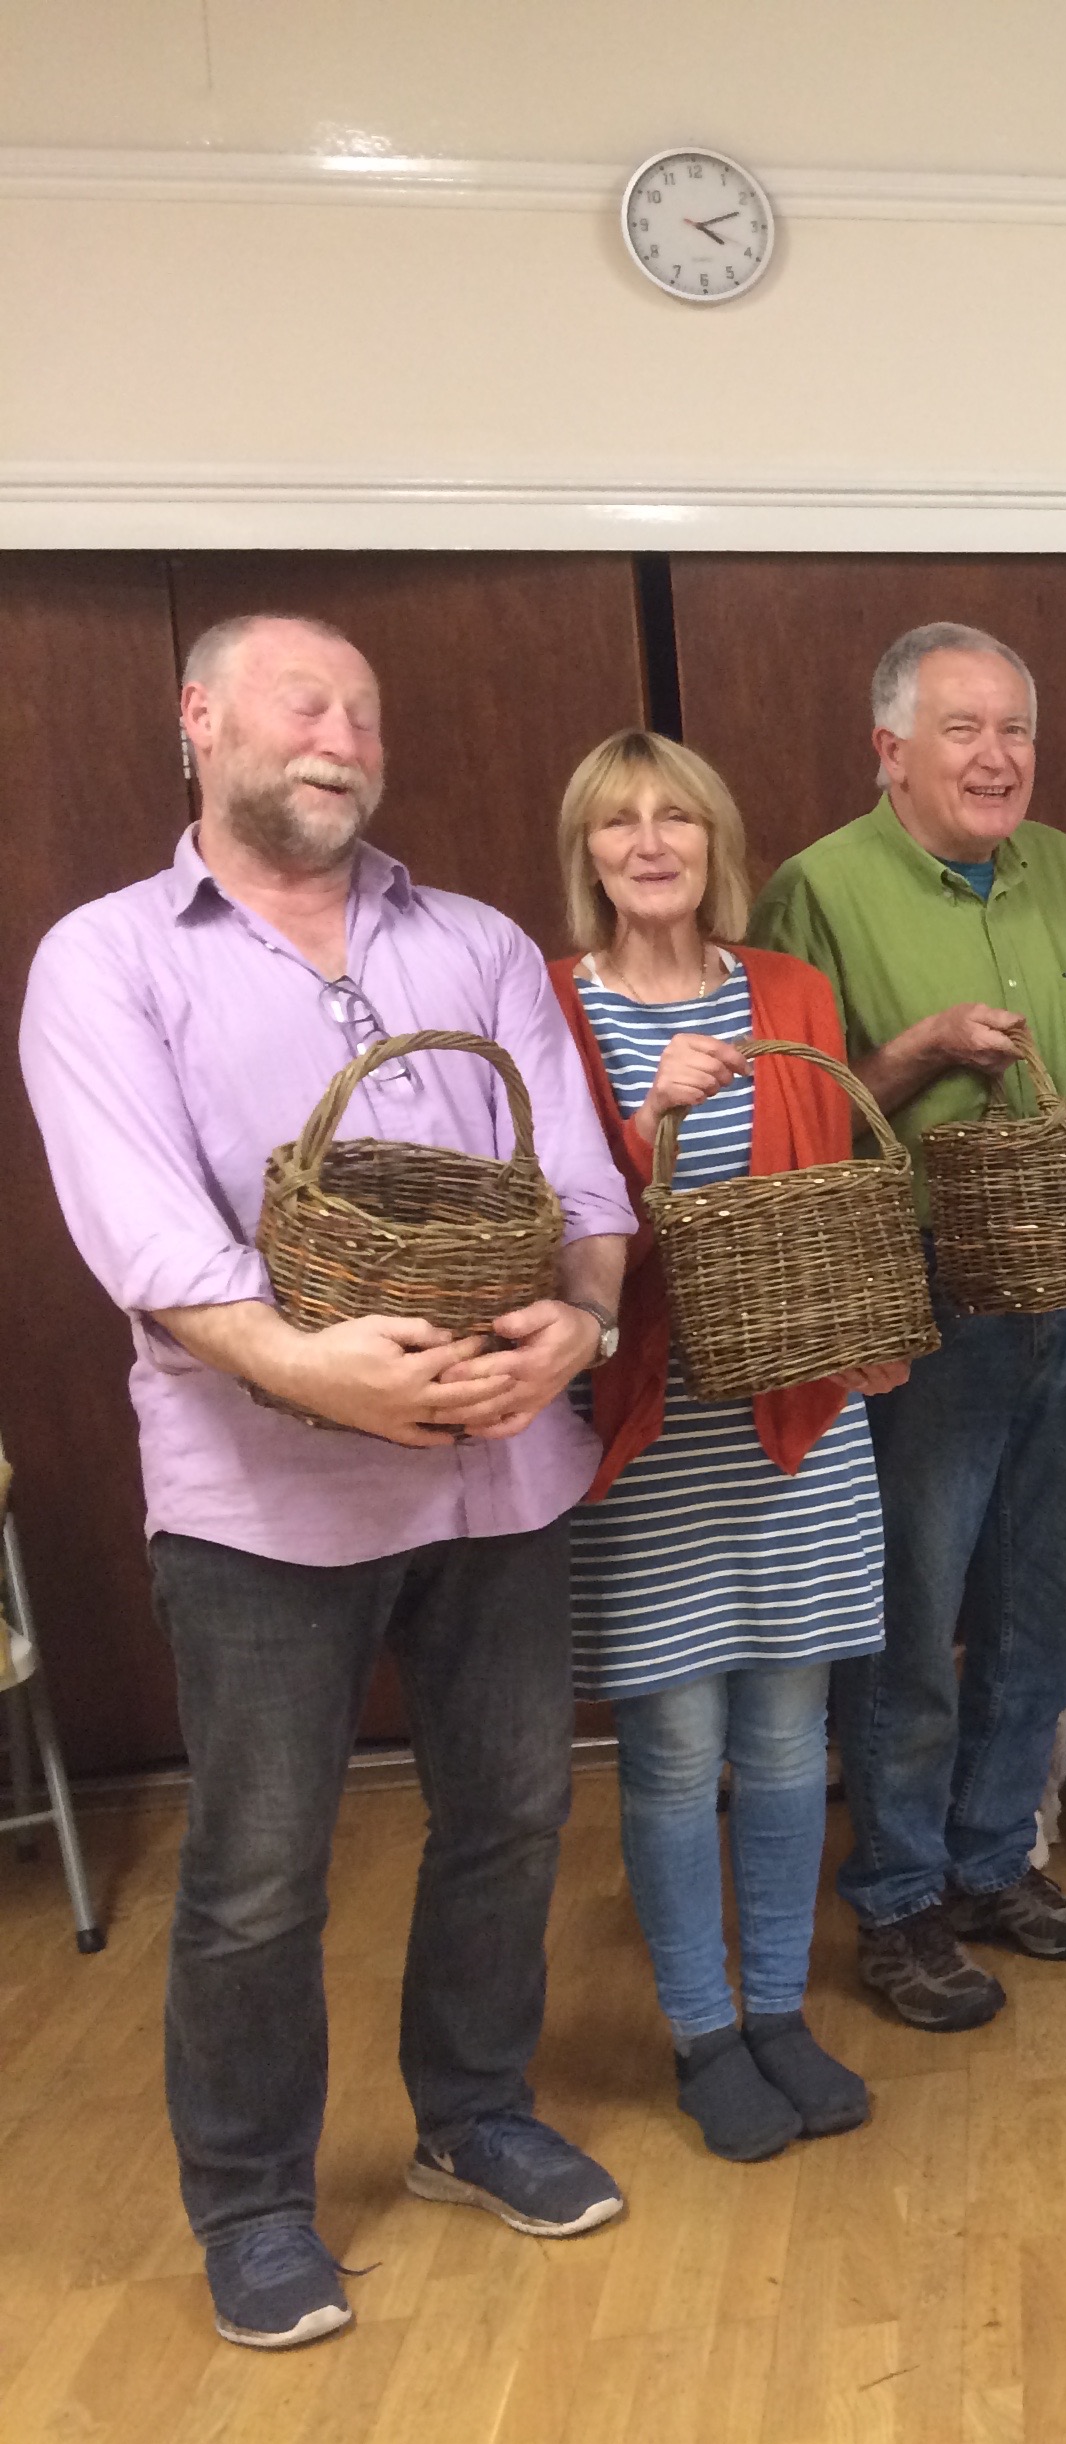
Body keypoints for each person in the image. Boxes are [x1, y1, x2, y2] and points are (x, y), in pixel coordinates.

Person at [20, 614, 632, 2352]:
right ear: (198, 718)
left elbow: (580, 1181)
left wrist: (578, 1330)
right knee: (262, 1866)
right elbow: (142, 1221)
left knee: (511, 1811)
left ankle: (474, 2109)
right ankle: (252, 2199)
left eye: (364, 707)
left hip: (500, 1478)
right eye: (307, 698)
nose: (341, 731)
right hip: (257, 1498)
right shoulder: (106, 958)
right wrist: (301, 1363)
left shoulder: (483, 941)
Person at [748, 623, 1066, 2033]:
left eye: (1014, 728)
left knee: (1050, 1611)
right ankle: (897, 1902)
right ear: (890, 749)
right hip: (923, 1309)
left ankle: (988, 1864)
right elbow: (793, 1112)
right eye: (962, 729)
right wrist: (912, 1055)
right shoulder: (820, 888)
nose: (996, 756)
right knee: (911, 1624)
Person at [548, 731, 899, 2159]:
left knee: (787, 1741)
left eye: (675, 818)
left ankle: (779, 2017)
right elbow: (549, 1209)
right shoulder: (551, 1005)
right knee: (678, 1751)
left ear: (715, 844)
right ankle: (701, 2032)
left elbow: (826, 1189)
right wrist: (653, 1125)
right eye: (619, 823)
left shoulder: (793, 994)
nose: (649, 843)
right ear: (588, 855)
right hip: (652, 1436)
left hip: (798, 1423)